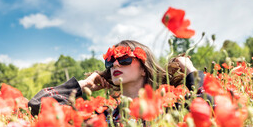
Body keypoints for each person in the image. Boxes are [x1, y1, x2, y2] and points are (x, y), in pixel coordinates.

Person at [28, 40, 206, 118]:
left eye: (124, 59)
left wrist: (191, 70)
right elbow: (37, 105)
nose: (115, 65)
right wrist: (84, 84)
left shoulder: (168, 111)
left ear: (144, 69)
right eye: (110, 61)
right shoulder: (106, 119)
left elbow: (209, 108)